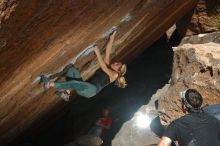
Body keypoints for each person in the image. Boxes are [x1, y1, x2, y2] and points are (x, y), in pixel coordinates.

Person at [40, 30, 127, 101]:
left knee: (75, 83)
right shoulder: (109, 67)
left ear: (118, 71)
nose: (115, 63)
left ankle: (49, 84)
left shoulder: (115, 75)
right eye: (117, 62)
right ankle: (66, 93)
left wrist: (97, 52)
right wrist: (112, 38)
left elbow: (103, 67)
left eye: (117, 65)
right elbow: (108, 52)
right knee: (71, 70)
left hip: (90, 91)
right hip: (86, 85)